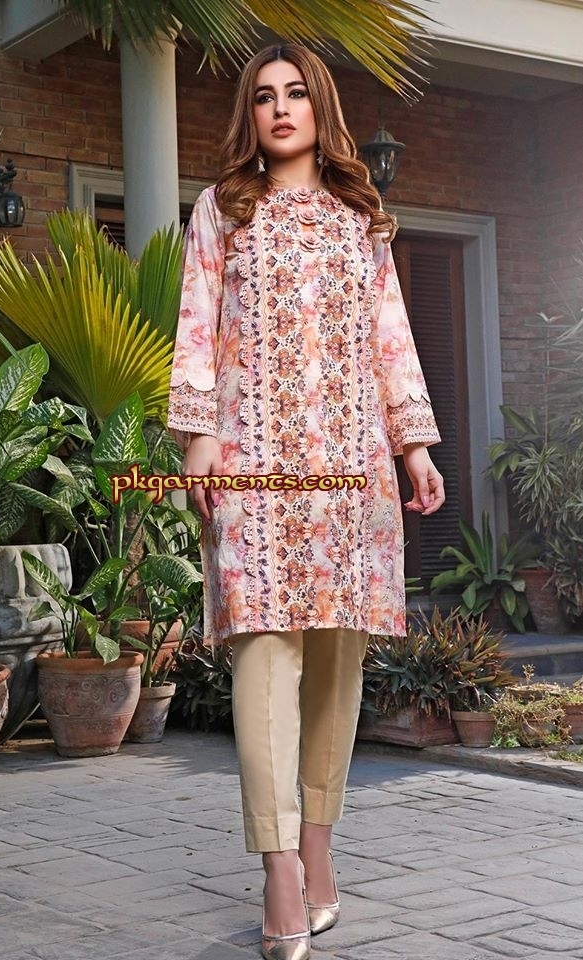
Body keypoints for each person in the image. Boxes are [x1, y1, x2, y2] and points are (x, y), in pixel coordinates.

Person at [167, 43, 445, 960]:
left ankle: (320, 850)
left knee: (335, 663)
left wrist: (412, 448)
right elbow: (195, 324)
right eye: (262, 97)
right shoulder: (223, 209)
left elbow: (389, 337)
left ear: (320, 107)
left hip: (351, 470)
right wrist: (198, 437)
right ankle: (278, 864)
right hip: (253, 465)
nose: (279, 108)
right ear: (248, 115)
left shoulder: (360, 221)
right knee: (262, 656)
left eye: (294, 93)